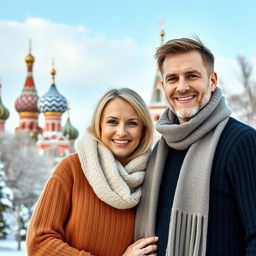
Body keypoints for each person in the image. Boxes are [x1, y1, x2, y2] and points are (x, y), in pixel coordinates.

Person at [135, 37, 256, 256]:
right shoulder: (159, 152)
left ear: (212, 81)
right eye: (172, 78)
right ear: (163, 87)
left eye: (192, 76)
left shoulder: (242, 141)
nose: (182, 87)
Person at [27, 88, 158, 256]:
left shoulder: (153, 175)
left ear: (144, 129)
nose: (121, 131)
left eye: (132, 123)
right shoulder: (72, 169)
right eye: (112, 122)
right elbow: (39, 242)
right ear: (99, 126)